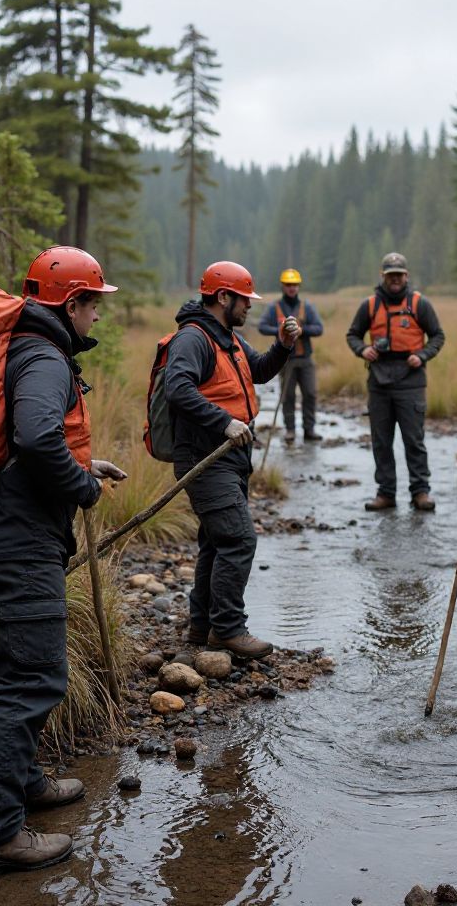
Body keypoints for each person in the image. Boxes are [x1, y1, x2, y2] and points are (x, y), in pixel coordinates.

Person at [0, 246, 127, 878]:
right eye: (94, 305)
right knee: (31, 681)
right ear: (70, 304)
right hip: (16, 549)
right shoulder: (44, 357)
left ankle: (11, 788)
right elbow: (36, 437)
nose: (97, 317)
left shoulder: (14, 347)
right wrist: (82, 488)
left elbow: (19, 446)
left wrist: (80, 467)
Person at [164, 260, 300, 659]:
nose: (250, 307)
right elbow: (177, 388)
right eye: (244, 300)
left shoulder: (227, 337)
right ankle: (228, 629)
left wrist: (283, 347)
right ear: (223, 297)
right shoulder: (193, 338)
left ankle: (202, 628)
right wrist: (224, 422)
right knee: (239, 539)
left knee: (216, 540)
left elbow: (257, 371)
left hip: (230, 456)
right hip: (205, 457)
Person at [345, 252, 446, 512]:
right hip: (378, 381)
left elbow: (437, 336)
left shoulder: (419, 303)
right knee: (381, 440)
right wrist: (362, 349)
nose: (395, 279)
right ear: (383, 276)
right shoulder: (369, 305)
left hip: (411, 381)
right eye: (390, 275)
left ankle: (420, 492)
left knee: (414, 440)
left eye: (399, 275)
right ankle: (386, 493)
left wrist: (422, 355)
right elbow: (353, 334)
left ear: (406, 276)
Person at [257, 267, 325, 442]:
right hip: (285, 361)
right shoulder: (274, 307)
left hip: (305, 359)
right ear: (283, 286)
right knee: (287, 396)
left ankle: (309, 429)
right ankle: (290, 430)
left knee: (310, 394)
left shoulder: (307, 307)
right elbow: (262, 326)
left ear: (299, 286)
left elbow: (319, 328)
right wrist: (281, 330)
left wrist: (301, 331)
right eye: (288, 284)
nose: (291, 288)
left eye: (294, 284)